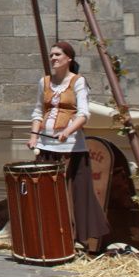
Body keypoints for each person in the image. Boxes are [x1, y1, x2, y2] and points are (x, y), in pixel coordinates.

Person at [27, 41, 110, 249]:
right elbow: (38, 111)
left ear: (68, 59)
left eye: (57, 55)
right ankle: (49, 235)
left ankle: (78, 238)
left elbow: (83, 114)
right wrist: (34, 136)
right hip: (46, 146)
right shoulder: (44, 82)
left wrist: (67, 131)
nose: (53, 58)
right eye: (51, 55)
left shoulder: (78, 82)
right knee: (47, 194)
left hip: (71, 148)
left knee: (76, 194)